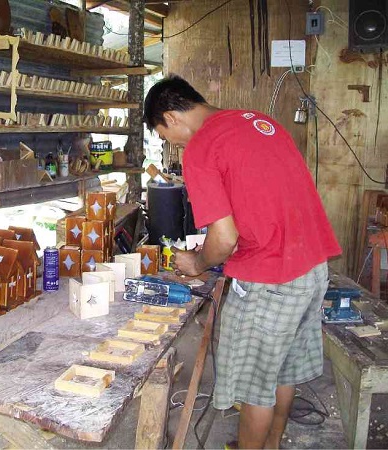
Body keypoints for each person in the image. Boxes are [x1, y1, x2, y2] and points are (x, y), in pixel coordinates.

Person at [143, 75, 341, 449]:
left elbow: (225, 238)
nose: (174, 144)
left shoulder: (202, 146)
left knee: (253, 387)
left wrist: (198, 263)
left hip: (271, 278)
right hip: (312, 267)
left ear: (170, 117)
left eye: (166, 137)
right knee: (281, 371)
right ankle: (271, 445)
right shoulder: (257, 122)